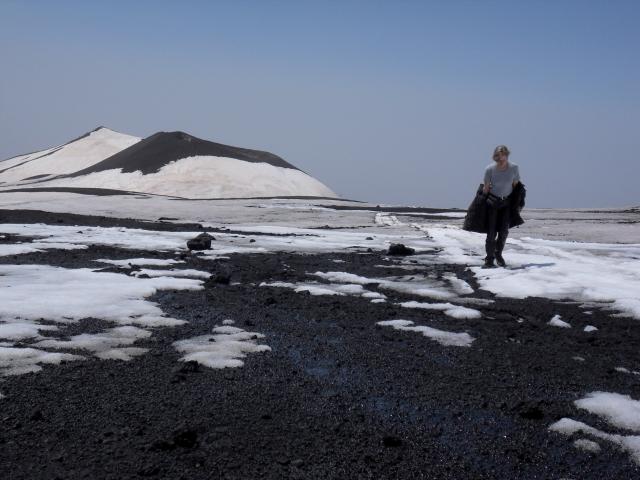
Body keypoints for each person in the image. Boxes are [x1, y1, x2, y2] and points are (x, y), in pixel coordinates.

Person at [481, 145, 521, 268]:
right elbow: (486, 187)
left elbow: (515, 185)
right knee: (491, 232)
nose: (501, 157)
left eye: (503, 154)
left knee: (504, 231)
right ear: (495, 156)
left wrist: (517, 203)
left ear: (507, 155)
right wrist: (481, 202)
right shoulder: (489, 169)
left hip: (506, 203)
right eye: (498, 155)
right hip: (492, 202)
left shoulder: (514, 168)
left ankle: (498, 254)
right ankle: (489, 259)